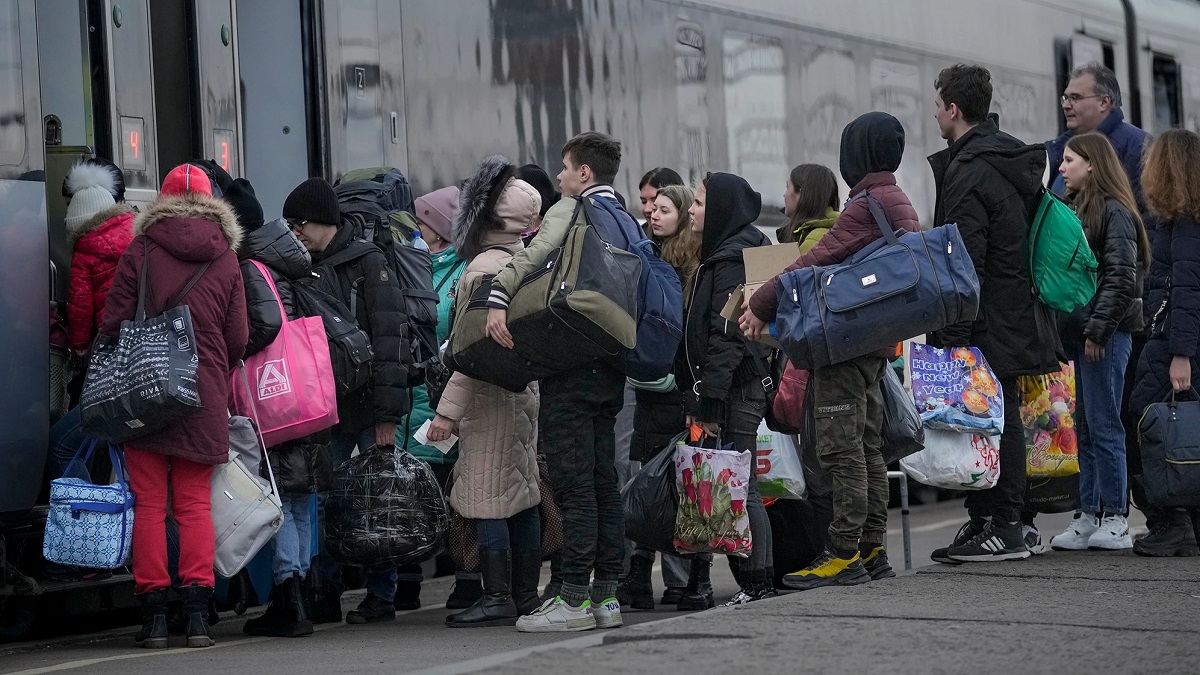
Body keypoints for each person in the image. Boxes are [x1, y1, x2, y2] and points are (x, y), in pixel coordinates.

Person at [741, 112, 920, 587]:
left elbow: (816, 260)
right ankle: (872, 548)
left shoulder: (867, 204)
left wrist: (761, 300)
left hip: (847, 346)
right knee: (866, 449)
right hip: (873, 345)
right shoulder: (893, 198)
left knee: (843, 452)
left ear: (856, 154)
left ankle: (842, 553)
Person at [485, 132, 630, 632]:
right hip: (613, 365)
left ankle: (572, 599)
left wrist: (498, 296)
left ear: (584, 174)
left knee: (575, 490)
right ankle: (607, 595)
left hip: (572, 363)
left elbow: (534, 253)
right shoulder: (626, 218)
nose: (561, 177)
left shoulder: (573, 208)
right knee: (603, 483)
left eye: (566, 169)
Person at [102, 163, 248, 649]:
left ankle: (154, 619)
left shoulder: (139, 250)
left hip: (144, 391)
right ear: (213, 202)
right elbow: (238, 336)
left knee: (148, 505)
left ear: (159, 200)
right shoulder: (225, 256)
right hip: (202, 395)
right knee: (192, 506)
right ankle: (198, 616)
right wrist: (209, 369)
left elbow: (114, 320)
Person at [923, 64, 1058, 562]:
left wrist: (953, 336)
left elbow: (964, 260)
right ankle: (992, 520)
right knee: (994, 417)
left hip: (988, 317)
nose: (934, 113)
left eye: (938, 105)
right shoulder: (999, 158)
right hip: (1012, 310)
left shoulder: (971, 169)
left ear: (954, 110)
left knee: (995, 421)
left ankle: (1005, 524)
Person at [284, 177, 411, 625]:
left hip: (366, 403)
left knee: (379, 498)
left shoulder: (368, 261)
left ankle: (382, 595)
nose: (294, 231)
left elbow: (391, 338)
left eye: (299, 223)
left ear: (323, 221)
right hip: (324, 403)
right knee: (325, 498)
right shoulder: (302, 265)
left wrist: (387, 417)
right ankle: (327, 588)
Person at [1043, 60, 1157, 538]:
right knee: (1085, 426)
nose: (1060, 167)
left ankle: (1115, 517)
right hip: (1082, 329)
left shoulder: (1114, 211)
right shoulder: (1074, 206)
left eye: (1069, 161)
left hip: (1104, 332)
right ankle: (1087, 513)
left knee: (1107, 424)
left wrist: (1097, 328)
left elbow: (1119, 276)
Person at [428, 157, 543, 627]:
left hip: (487, 397)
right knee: (522, 491)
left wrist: (447, 414)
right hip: (523, 394)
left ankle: (496, 594)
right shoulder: (527, 261)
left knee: (486, 493)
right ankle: (525, 593)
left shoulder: (480, 271)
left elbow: (470, 353)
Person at [223, 178, 327, 639]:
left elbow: (264, 326)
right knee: (300, 497)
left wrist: (234, 351)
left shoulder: (251, 266)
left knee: (282, 497)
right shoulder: (288, 261)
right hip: (303, 394)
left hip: (275, 399)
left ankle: (288, 597)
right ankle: (301, 591)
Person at [680, 171, 776, 604]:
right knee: (741, 482)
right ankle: (756, 580)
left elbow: (727, 335)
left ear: (719, 208)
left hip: (736, 388)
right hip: (736, 386)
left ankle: (758, 582)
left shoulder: (732, 259)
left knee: (743, 485)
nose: (691, 210)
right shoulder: (735, 251)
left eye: (698, 203)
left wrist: (706, 399)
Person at [618, 184, 711, 610]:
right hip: (650, 395)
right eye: (652, 208)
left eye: (665, 208)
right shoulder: (647, 257)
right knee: (647, 486)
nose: (654, 214)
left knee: (682, 486)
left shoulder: (692, 266)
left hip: (677, 392)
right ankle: (639, 575)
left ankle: (682, 579)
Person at [397, 185, 482, 612]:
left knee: (459, 490)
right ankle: (408, 578)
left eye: (424, 219)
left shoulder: (463, 273)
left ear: (441, 227)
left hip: (448, 395)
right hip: (414, 397)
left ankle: (467, 576)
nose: (416, 226)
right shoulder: (412, 265)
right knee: (412, 491)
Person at [1130, 129, 1200, 556]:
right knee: (1185, 431)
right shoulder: (1184, 219)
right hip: (1175, 338)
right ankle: (1186, 525)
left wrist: (1180, 355)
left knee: (1148, 427)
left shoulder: (1185, 224)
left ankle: (1169, 522)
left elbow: (1187, 291)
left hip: (1173, 342)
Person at [1047, 62, 1151, 202]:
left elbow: (1145, 214)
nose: (1066, 105)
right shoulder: (1057, 148)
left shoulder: (1138, 147)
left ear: (1104, 102)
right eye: (1065, 98)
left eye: (1075, 98)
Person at [63, 161, 135, 354]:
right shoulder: (138, 235)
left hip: (109, 333)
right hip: (143, 331)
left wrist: (79, 347)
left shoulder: (84, 252)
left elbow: (81, 307)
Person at [778, 164, 840, 251]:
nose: (784, 195)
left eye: (787, 187)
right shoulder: (831, 229)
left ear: (801, 193)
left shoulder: (813, 241)